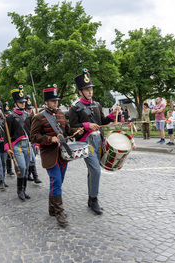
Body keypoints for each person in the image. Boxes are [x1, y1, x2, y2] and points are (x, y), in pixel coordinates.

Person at [69, 68, 120, 215]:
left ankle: (91, 200)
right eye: (86, 89)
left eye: (91, 88)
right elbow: (71, 128)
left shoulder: (97, 105)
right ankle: (94, 199)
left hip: (99, 140)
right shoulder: (74, 108)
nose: (90, 91)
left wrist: (112, 115)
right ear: (80, 92)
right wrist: (86, 125)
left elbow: (102, 121)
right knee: (96, 170)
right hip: (87, 142)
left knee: (93, 171)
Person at [31, 84, 82, 226]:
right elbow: (33, 137)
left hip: (62, 154)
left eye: (57, 100)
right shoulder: (39, 117)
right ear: (46, 102)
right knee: (56, 181)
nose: (56, 103)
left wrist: (76, 131)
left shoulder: (60, 113)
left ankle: (52, 208)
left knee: (57, 182)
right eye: (53, 101)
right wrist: (49, 139)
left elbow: (66, 130)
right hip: (49, 154)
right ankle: (60, 212)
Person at [5, 85, 33, 201]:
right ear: (15, 104)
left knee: (26, 168)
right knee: (21, 166)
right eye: (20, 102)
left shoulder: (28, 116)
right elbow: (6, 135)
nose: (23, 104)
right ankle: (19, 190)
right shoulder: (10, 117)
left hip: (27, 145)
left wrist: (35, 144)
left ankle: (24, 190)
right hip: (17, 146)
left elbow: (32, 132)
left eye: (24, 102)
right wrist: (7, 147)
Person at [24, 95, 41, 184]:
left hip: (33, 141)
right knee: (31, 159)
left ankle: (30, 175)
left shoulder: (34, 117)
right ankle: (34, 176)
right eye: (27, 109)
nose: (29, 111)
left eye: (30, 109)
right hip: (25, 141)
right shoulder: (23, 118)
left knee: (32, 159)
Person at [3, 102, 14, 176]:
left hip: (11, 139)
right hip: (3, 140)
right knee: (6, 156)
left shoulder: (10, 120)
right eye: (6, 114)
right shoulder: (2, 121)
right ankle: (7, 169)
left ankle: (10, 169)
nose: (7, 115)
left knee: (10, 156)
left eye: (8, 113)